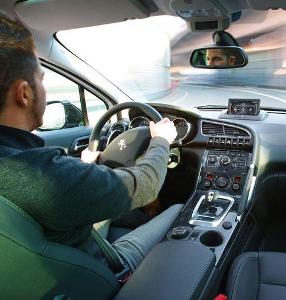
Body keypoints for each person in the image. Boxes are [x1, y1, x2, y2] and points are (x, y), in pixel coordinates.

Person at [0, 14, 182, 272]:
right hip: (100, 271)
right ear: (24, 93)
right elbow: (146, 185)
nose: (44, 87)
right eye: (41, 79)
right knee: (180, 209)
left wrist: (82, 166)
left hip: (54, 247)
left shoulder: (26, 165)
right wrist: (162, 141)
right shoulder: (42, 175)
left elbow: (62, 187)